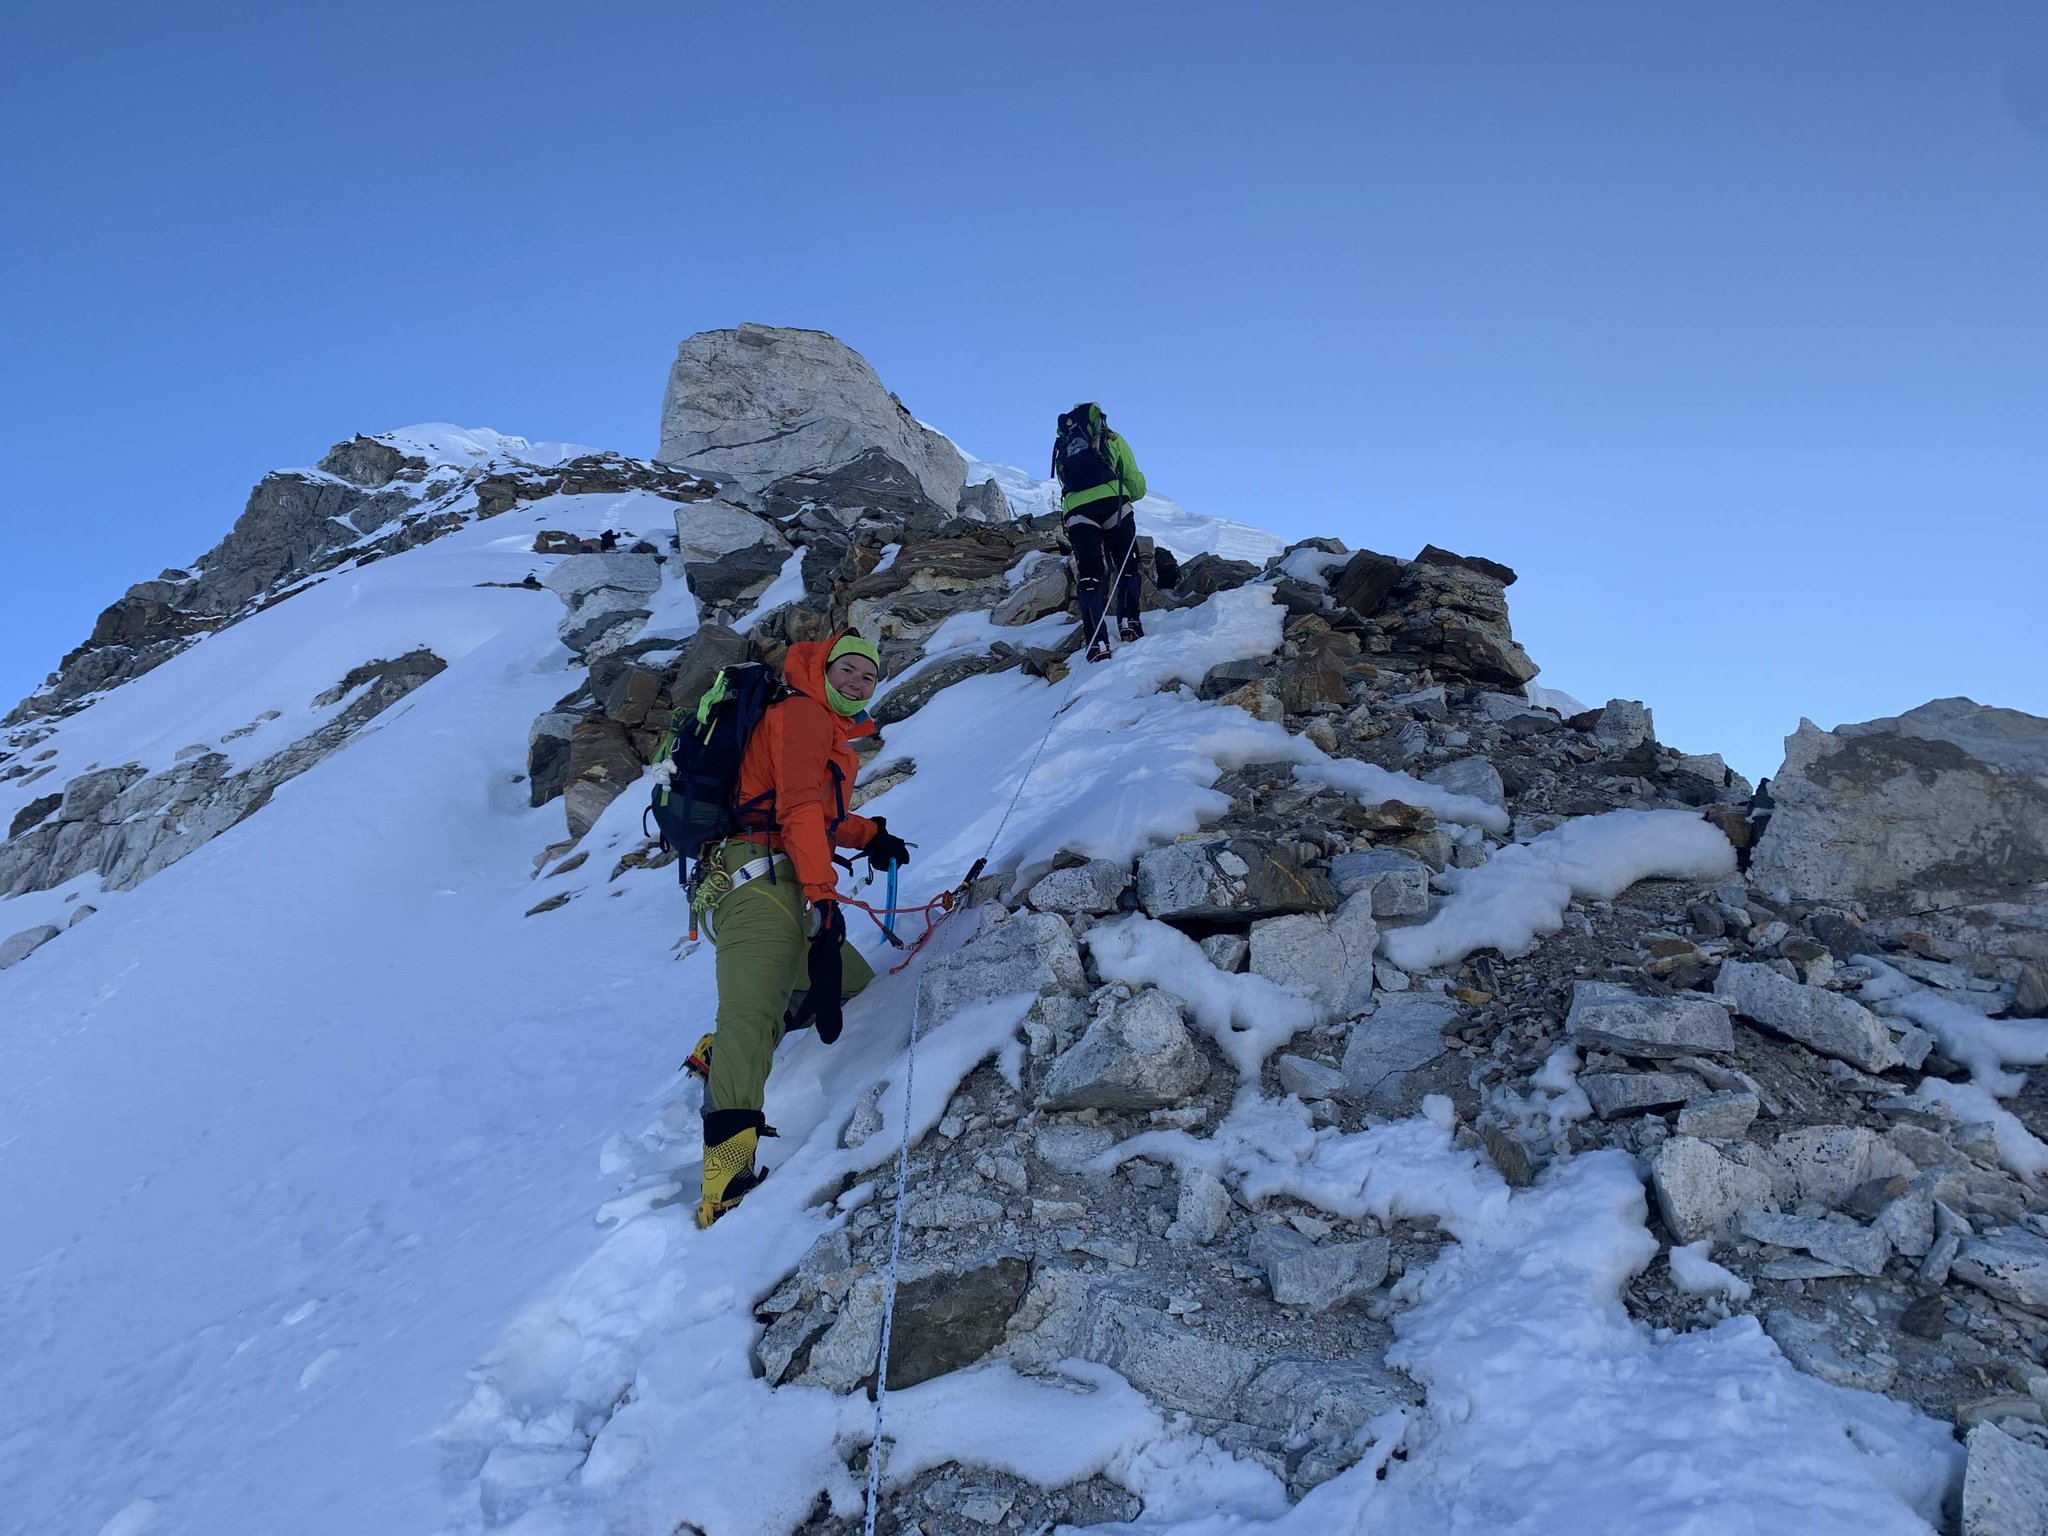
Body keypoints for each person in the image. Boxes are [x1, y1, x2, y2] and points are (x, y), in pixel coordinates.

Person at [689, 631, 911, 1228]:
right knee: (752, 1014)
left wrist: (869, 835)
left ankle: (724, 1055)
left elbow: (809, 808)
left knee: (850, 987)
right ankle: (724, 1180)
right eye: (847, 670)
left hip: (779, 876)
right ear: (824, 670)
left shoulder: (821, 727)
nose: (857, 683)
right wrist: (824, 897)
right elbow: (798, 812)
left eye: (868, 676)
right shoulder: (805, 714)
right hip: (757, 880)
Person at [1051, 402, 1148, 663]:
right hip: (1113, 503)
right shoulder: (1110, 437)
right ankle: (1129, 624)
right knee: (1127, 565)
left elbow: (1064, 481)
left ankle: (1097, 642)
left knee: (1089, 575)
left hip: (1077, 511)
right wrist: (1130, 493)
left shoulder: (1064, 444)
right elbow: (1133, 479)